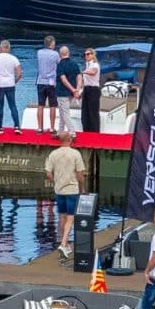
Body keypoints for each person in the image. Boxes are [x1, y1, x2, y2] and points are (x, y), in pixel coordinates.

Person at [45, 129, 86, 258]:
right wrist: (82, 188)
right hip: (72, 190)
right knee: (70, 217)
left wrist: (55, 181)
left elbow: (48, 173)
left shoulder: (53, 154)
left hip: (59, 190)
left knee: (62, 216)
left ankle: (66, 243)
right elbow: (80, 174)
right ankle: (63, 243)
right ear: (70, 140)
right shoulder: (75, 154)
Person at [0, 40, 22, 131]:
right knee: (13, 105)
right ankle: (17, 126)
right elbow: (19, 73)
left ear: (1, 48)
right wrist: (14, 81)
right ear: (9, 48)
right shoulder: (14, 59)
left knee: (0, 106)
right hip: (10, 84)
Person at [35, 35, 61, 133]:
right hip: (51, 82)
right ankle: (52, 127)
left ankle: (40, 128)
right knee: (52, 105)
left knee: (40, 105)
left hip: (40, 81)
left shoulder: (39, 52)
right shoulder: (55, 54)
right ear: (51, 44)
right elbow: (59, 64)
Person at [80, 48, 103, 133]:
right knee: (85, 112)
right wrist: (80, 91)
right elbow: (84, 81)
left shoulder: (95, 64)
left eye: (88, 54)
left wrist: (83, 72)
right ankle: (86, 131)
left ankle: (95, 132)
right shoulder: (86, 65)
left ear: (93, 55)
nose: (86, 56)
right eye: (85, 54)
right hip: (86, 89)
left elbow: (93, 72)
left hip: (94, 89)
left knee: (93, 112)